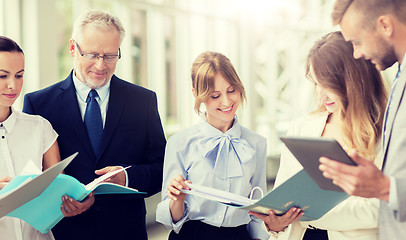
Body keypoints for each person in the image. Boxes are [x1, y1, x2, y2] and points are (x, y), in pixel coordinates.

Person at [23, 10, 166, 240]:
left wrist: (127, 178)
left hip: (126, 231)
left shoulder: (143, 101)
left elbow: (162, 168)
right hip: (66, 232)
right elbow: (30, 178)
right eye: (92, 54)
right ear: (72, 48)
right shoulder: (39, 104)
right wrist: (60, 202)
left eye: (110, 56)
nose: (101, 65)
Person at [251, 31, 388, 240]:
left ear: (354, 80)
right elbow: (281, 202)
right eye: (315, 83)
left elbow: (378, 210)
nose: (320, 95)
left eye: (328, 85)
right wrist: (276, 224)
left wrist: (303, 216)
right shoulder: (301, 127)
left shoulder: (385, 133)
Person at [156, 51, 268, 240]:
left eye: (232, 90)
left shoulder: (257, 143)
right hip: (192, 235)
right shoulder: (180, 143)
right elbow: (171, 221)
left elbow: (257, 208)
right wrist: (178, 199)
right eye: (215, 95)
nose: (226, 102)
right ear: (197, 94)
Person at [318, 1, 406, 238]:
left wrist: (386, 188)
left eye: (356, 42)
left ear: (385, 25)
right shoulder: (399, 80)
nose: (356, 53)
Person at [0, 36, 61, 239]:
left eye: (19, 76)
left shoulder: (40, 128)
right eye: (2, 76)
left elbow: (58, 191)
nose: (13, 85)